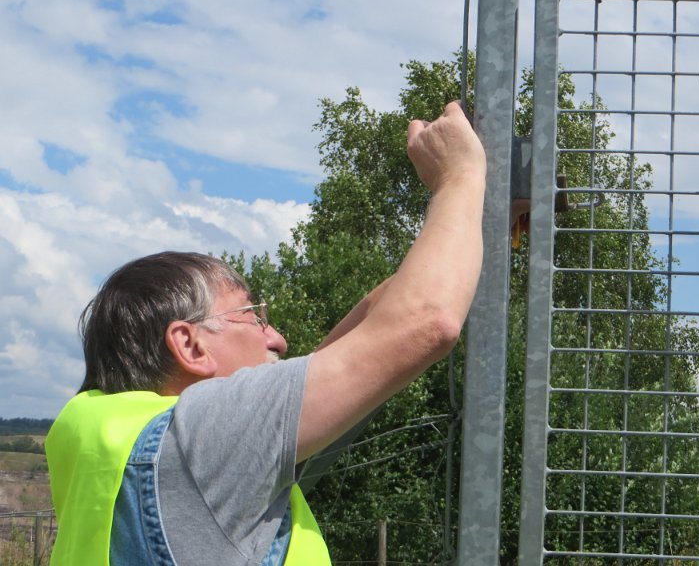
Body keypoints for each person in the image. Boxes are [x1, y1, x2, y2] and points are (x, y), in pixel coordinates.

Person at [45, 101, 487, 565]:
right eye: (253, 315)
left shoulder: (115, 444)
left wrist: (475, 212)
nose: (277, 338)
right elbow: (425, 321)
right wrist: (458, 177)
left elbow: (385, 315)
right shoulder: (201, 438)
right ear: (190, 345)